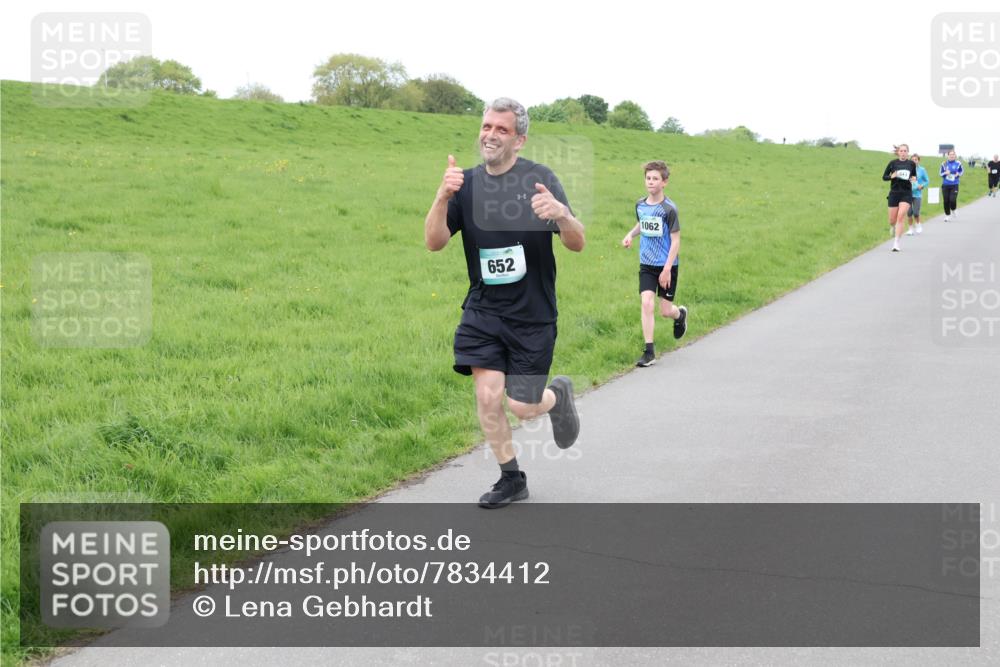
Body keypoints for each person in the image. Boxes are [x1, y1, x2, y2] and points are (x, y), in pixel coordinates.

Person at [424, 97, 585, 509]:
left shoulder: (539, 180)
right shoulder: (467, 184)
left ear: (520, 139)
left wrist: (563, 215)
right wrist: (442, 196)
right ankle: (511, 478)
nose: (491, 134)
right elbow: (435, 242)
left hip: (532, 314)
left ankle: (555, 398)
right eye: (487, 126)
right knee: (487, 397)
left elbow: (577, 243)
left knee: (523, 406)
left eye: (502, 129)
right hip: (483, 310)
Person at [621, 160, 687, 367]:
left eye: (655, 179)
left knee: (665, 311)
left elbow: (676, 240)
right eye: (648, 178)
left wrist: (667, 269)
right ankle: (649, 351)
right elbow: (642, 222)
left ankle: (680, 315)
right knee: (647, 302)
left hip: (667, 265)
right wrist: (630, 235)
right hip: (647, 264)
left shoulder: (669, 209)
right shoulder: (640, 204)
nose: (651, 182)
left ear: (664, 182)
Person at [882, 144, 918, 252]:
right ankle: (893, 226)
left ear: (908, 152)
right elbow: (884, 177)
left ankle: (896, 242)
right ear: (898, 152)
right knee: (892, 220)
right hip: (894, 193)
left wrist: (913, 179)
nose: (903, 152)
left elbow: (913, 176)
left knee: (901, 217)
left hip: (906, 193)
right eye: (901, 151)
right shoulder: (893, 163)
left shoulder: (911, 164)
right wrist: (891, 176)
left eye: (905, 151)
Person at [906, 154, 930, 235]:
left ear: (918, 161)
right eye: (912, 159)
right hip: (907, 194)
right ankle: (910, 229)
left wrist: (922, 186)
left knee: (916, 213)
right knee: (909, 212)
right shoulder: (907, 170)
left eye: (915, 159)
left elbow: (927, 181)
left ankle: (918, 225)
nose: (914, 161)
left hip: (917, 194)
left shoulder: (922, 170)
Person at [940, 149, 964, 221]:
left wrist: (958, 174)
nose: (952, 156)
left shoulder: (958, 163)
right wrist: (945, 173)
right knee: (946, 201)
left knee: (952, 200)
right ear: (948, 156)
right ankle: (947, 215)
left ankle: (953, 209)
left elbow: (962, 171)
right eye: (950, 154)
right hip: (945, 185)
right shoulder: (944, 163)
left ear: (955, 156)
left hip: (954, 184)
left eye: (953, 154)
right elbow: (940, 173)